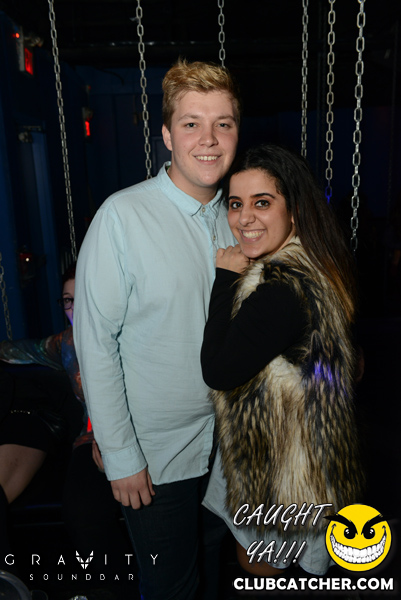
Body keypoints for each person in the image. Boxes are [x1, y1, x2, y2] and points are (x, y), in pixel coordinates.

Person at [74, 58, 240, 600]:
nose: (209, 139)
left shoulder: (240, 218)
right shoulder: (122, 217)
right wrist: (120, 454)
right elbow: (95, 343)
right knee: (171, 587)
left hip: (228, 448)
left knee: (212, 568)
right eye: (192, 123)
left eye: (223, 123)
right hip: (156, 455)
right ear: (167, 135)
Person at [201, 144, 365, 580]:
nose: (244, 218)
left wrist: (225, 280)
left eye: (262, 203)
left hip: (280, 470)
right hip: (308, 457)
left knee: (259, 565)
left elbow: (217, 370)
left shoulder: (280, 287)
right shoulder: (316, 263)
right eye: (235, 204)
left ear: (294, 210)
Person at [0, 265, 130, 591]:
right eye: (68, 300)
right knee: (81, 511)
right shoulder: (67, 343)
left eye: (83, 297)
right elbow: (19, 351)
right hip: (90, 440)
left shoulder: (132, 336)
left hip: (138, 433)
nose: (75, 308)